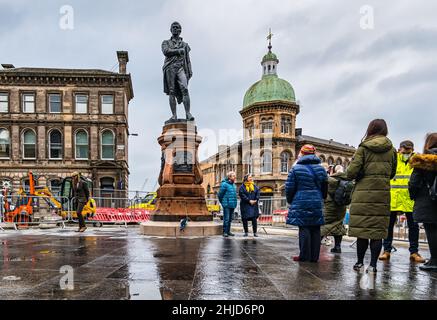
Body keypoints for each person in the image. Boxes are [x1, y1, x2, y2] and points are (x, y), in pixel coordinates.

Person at [346, 119, 397, 273]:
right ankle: (373, 265)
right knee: (377, 232)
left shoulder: (363, 148)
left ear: (370, 129)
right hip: (382, 196)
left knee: (363, 232)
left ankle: (360, 262)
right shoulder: (392, 150)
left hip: (362, 195)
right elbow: (392, 173)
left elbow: (351, 173)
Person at [380, 140, 426, 263]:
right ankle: (386, 250)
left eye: (408, 151)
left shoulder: (416, 161)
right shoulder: (393, 160)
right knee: (389, 226)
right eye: (404, 151)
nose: (406, 153)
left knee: (413, 227)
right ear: (400, 149)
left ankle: (414, 252)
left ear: (412, 150)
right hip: (393, 197)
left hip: (409, 199)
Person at [286, 144, 328, 262]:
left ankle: (304, 256)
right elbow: (325, 187)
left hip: (301, 201)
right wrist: (321, 198)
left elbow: (289, 188)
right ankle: (314, 257)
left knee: (304, 227)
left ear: (302, 153)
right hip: (317, 201)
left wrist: (291, 200)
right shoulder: (321, 169)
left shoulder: (295, 169)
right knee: (315, 227)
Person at [409, 133, 437, 272]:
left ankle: (434, 260)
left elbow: (413, 183)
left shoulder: (422, 161)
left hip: (427, 201)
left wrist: (413, 196)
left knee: (431, 230)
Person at [162, 21, 194, 121]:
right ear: (171, 30)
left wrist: (190, 70)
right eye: (173, 27)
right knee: (171, 91)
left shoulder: (185, 45)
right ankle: (174, 115)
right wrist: (177, 51)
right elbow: (166, 51)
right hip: (170, 67)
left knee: (185, 89)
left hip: (181, 68)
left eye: (177, 27)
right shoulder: (166, 42)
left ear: (180, 30)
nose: (175, 29)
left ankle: (188, 113)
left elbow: (187, 59)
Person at [321, 165, 348, 253]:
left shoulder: (329, 180)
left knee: (324, 225)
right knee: (338, 225)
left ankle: (315, 246)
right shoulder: (346, 181)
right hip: (341, 206)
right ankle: (337, 247)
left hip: (329, 206)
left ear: (333, 171)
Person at [218, 171, 238, 238]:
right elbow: (220, 194)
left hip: (232, 204)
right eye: (233, 176)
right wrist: (223, 202)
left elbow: (234, 195)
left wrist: (235, 203)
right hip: (226, 204)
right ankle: (225, 232)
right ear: (229, 177)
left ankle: (228, 231)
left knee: (230, 219)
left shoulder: (234, 185)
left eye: (235, 176)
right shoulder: (224, 184)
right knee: (226, 219)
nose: (235, 177)